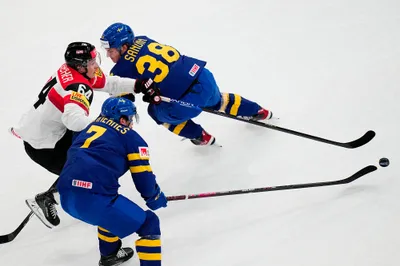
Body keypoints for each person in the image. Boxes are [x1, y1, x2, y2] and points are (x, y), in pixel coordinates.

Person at [12, 41, 151, 228]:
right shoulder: (78, 86)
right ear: (80, 66)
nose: (97, 66)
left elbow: (108, 83)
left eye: (95, 60)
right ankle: (49, 198)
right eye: (93, 63)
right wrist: (108, 126)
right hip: (45, 146)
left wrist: (137, 85)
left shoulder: (76, 70)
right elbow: (74, 121)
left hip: (42, 133)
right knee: (87, 171)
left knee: (88, 155)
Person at [99, 22, 274, 146]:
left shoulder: (119, 71)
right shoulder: (143, 39)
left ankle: (200, 136)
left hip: (182, 103)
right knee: (218, 100)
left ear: (123, 47)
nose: (109, 56)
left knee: (154, 111)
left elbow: (124, 105)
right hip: (203, 77)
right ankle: (257, 111)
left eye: (111, 51)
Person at [57, 97, 167, 266]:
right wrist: (155, 197)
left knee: (111, 210)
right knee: (149, 224)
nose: (131, 123)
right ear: (122, 119)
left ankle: (110, 255)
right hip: (92, 199)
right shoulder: (131, 138)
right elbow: (143, 176)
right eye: (130, 119)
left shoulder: (87, 128)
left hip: (65, 195)